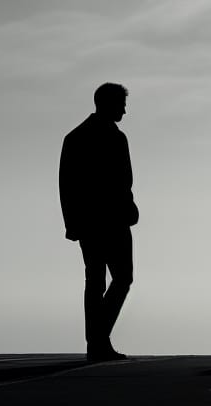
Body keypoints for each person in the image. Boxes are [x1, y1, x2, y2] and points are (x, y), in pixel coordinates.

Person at [59, 83, 139, 362]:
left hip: (101, 220)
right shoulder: (88, 138)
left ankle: (97, 338)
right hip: (104, 221)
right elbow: (69, 184)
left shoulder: (81, 137)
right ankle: (98, 338)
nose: (125, 111)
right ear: (108, 104)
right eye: (121, 105)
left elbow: (124, 181)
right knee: (110, 279)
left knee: (102, 280)